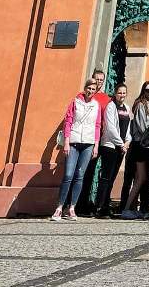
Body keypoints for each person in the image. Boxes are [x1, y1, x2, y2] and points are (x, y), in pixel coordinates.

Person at [51, 79, 101, 221]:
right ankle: (59, 207)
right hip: (73, 142)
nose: (90, 91)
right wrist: (66, 142)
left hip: (88, 143)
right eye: (89, 88)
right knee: (68, 175)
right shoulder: (75, 102)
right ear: (85, 88)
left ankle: (72, 208)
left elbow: (97, 125)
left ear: (95, 91)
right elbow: (68, 121)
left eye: (93, 89)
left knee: (79, 176)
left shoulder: (96, 105)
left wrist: (96, 145)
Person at [75, 67, 110, 215]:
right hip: (84, 138)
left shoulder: (106, 99)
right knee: (83, 171)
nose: (99, 82)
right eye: (97, 79)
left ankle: (89, 202)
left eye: (101, 80)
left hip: (99, 138)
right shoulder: (83, 95)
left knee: (93, 171)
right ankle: (77, 204)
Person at [120, 81, 149, 219]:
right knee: (140, 178)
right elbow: (142, 127)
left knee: (140, 178)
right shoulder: (141, 104)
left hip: (145, 146)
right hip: (139, 146)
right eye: (147, 90)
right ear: (143, 91)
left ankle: (133, 208)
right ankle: (127, 208)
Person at [95, 83, 131, 218]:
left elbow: (128, 127)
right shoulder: (111, 106)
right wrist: (121, 144)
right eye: (119, 93)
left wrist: (127, 142)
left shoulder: (127, 108)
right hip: (109, 146)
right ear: (115, 94)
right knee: (106, 177)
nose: (122, 95)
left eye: (124, 93)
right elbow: (110, 128)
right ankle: (100, 206)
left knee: (112, 178)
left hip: (121, 147)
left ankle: (106, 205)